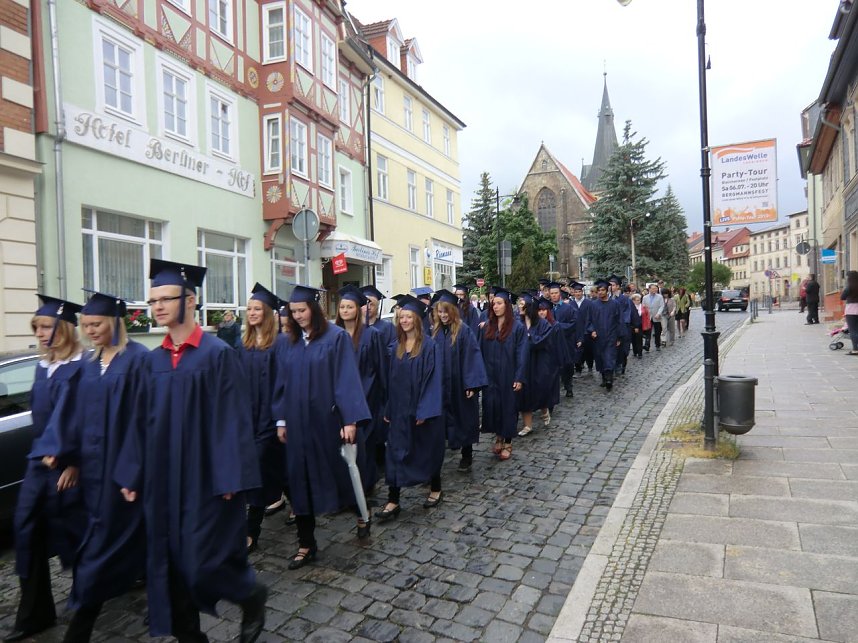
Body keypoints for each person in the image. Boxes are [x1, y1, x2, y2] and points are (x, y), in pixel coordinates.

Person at [117, 259, 267, 643]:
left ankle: (250, 594)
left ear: (189, 300)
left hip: (206, 479)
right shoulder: (152, 361)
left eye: (165, 299)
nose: (157, 307)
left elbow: (233, 418)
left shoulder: (217, 354)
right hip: (163, 481)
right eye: (152, 301)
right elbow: (139, 422)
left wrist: (231, 477)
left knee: (203, 561)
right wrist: (131, 473)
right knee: (169, 564)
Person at [59, 292, 149, 643]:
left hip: (123, 469)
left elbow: (143, 422)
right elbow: (77, 417)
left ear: (114, 321)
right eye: (85, 325)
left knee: (103, 546)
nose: (90, 330)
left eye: (96, 324)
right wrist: (72, 461)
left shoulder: (139, 359)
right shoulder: (89, 362)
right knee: (112, 539)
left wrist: (133, 472)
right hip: (93, 472)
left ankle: (79, 626)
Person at [5, 296, 87, 643]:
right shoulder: (43, 367)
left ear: (63, 328)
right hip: (38, 464)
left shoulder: (84, 367)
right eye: (36, 328)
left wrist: (76, 462)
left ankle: (86, 607)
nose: (39, 333)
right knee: (26, 531)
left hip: (72, 467)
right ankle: (34, 614)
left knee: (78, 536)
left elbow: (89, 420)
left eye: (45, 327)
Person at [272, 284, 372, 563]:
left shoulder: (336, 337)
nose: (297, 316)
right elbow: (281, 383)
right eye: (293, 312)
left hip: (327, 422)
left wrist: (349, 419)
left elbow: (346, 379)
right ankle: (306, 543)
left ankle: (361, 514)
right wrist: (281, 419)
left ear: (314, 310)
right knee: (299, 479)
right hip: (297, 425)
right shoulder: (287, 342)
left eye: (302, 311)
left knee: (340, 474)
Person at [376, 295, 444, 520]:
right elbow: (389, 381)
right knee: (394, 453)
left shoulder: (430, 346)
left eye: (408, 317)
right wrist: (388, 408)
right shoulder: (395, 347)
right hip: (398, 410)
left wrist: (425, 410)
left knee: (426, 450)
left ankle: (435, 488)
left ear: (417, 319)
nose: (404, 320)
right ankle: (393, 500)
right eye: (401, 317)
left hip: (420, 410)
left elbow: (433, 380)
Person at [238, 283, 286, 554]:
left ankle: (250, 531)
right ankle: (299, 510)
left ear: (267, 313)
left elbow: (283, 385)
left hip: (271, 420)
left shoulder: (279, 344)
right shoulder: (243, 345)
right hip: (248, 420)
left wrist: (281, 419)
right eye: (249, 309)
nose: (252, 313)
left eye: (257, 309)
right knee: (275, 471)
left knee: (257, 468)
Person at [336, 285, 387, 495]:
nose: (345, 310)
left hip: (368, 399)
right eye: (342, 307)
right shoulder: (335, 335)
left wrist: (385, 401)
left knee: (364, 445)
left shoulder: (371, 335)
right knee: (344, 445)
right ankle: (347, 488)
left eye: (349, 307)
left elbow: (381, 369)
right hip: (342, 400)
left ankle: (366, 485)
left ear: (358, 309)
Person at [431, 290, 487, 471]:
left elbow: (472, 356)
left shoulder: (464, 331)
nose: (443, 315)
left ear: (453, 311)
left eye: (446, 311)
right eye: (440, 312)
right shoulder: (435, 332)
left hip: (460, 385)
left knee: (464, 418)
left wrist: (471, 384)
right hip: (441, 385)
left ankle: (466, 454)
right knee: (441, 420)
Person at [478, 287, 528, 461]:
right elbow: (479, 352)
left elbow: (522, 354)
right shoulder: (487, 326)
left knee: (508, 408)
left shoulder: (517, 327)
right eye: (494, 304)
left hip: (508, 375)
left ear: (507, 305)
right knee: (493, 406)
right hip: (491, 375)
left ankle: (507, 442)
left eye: (499, 303)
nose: (495, 306)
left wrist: (519, 377)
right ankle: (498, 436)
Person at [517, 294, 557, 437]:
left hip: (539, 361)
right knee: (524, 393)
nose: (519, 307)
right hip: (523, 362)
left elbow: (543, 341)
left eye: (522, 305)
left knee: (540, 389)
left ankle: (544, 409)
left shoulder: (543, 324)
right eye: (519, 304)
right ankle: (528, 425)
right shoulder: (518, 323)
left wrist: (529, 338)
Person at [584, 280, 621, 391]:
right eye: (599, 290)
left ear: (607, 291)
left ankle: (609, 379)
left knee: (609, 356)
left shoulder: (615, 304)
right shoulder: (593, 305)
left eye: (602, 290)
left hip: (611, 335)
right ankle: (604, 378)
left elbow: (619, 321)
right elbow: (589, 320)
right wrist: (592, 330)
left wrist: (619, 337)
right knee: (600, 357)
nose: (600, 292)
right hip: (598, 337)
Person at [641, 283, 665, 351]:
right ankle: (647, 345)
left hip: (657, 316)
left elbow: (662, 306)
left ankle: (657, 345)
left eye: (656, 288)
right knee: (648, 332)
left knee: (657, 332)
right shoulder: (645, 297)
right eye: (653, 288)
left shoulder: (660, 297)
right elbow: (643, 306)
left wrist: (658, 313)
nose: (655, 290)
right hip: (648, 317)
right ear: (649, 289)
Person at [841, 270, 858, 355]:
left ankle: (855, 349)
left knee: (853, 330)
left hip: (851, 310)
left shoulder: (849, 286)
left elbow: (842, 297)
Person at [630, 293, 648, 359]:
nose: (638, 301)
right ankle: (635, 351)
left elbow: (646, 315)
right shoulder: (631, 307)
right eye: (636, 300)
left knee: (639, 339)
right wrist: (634, 326)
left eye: (639, 300)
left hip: (640, 325)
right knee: (633, 339)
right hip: (632, 325)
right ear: (633, 301)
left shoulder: (642, 306)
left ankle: (640, 353)